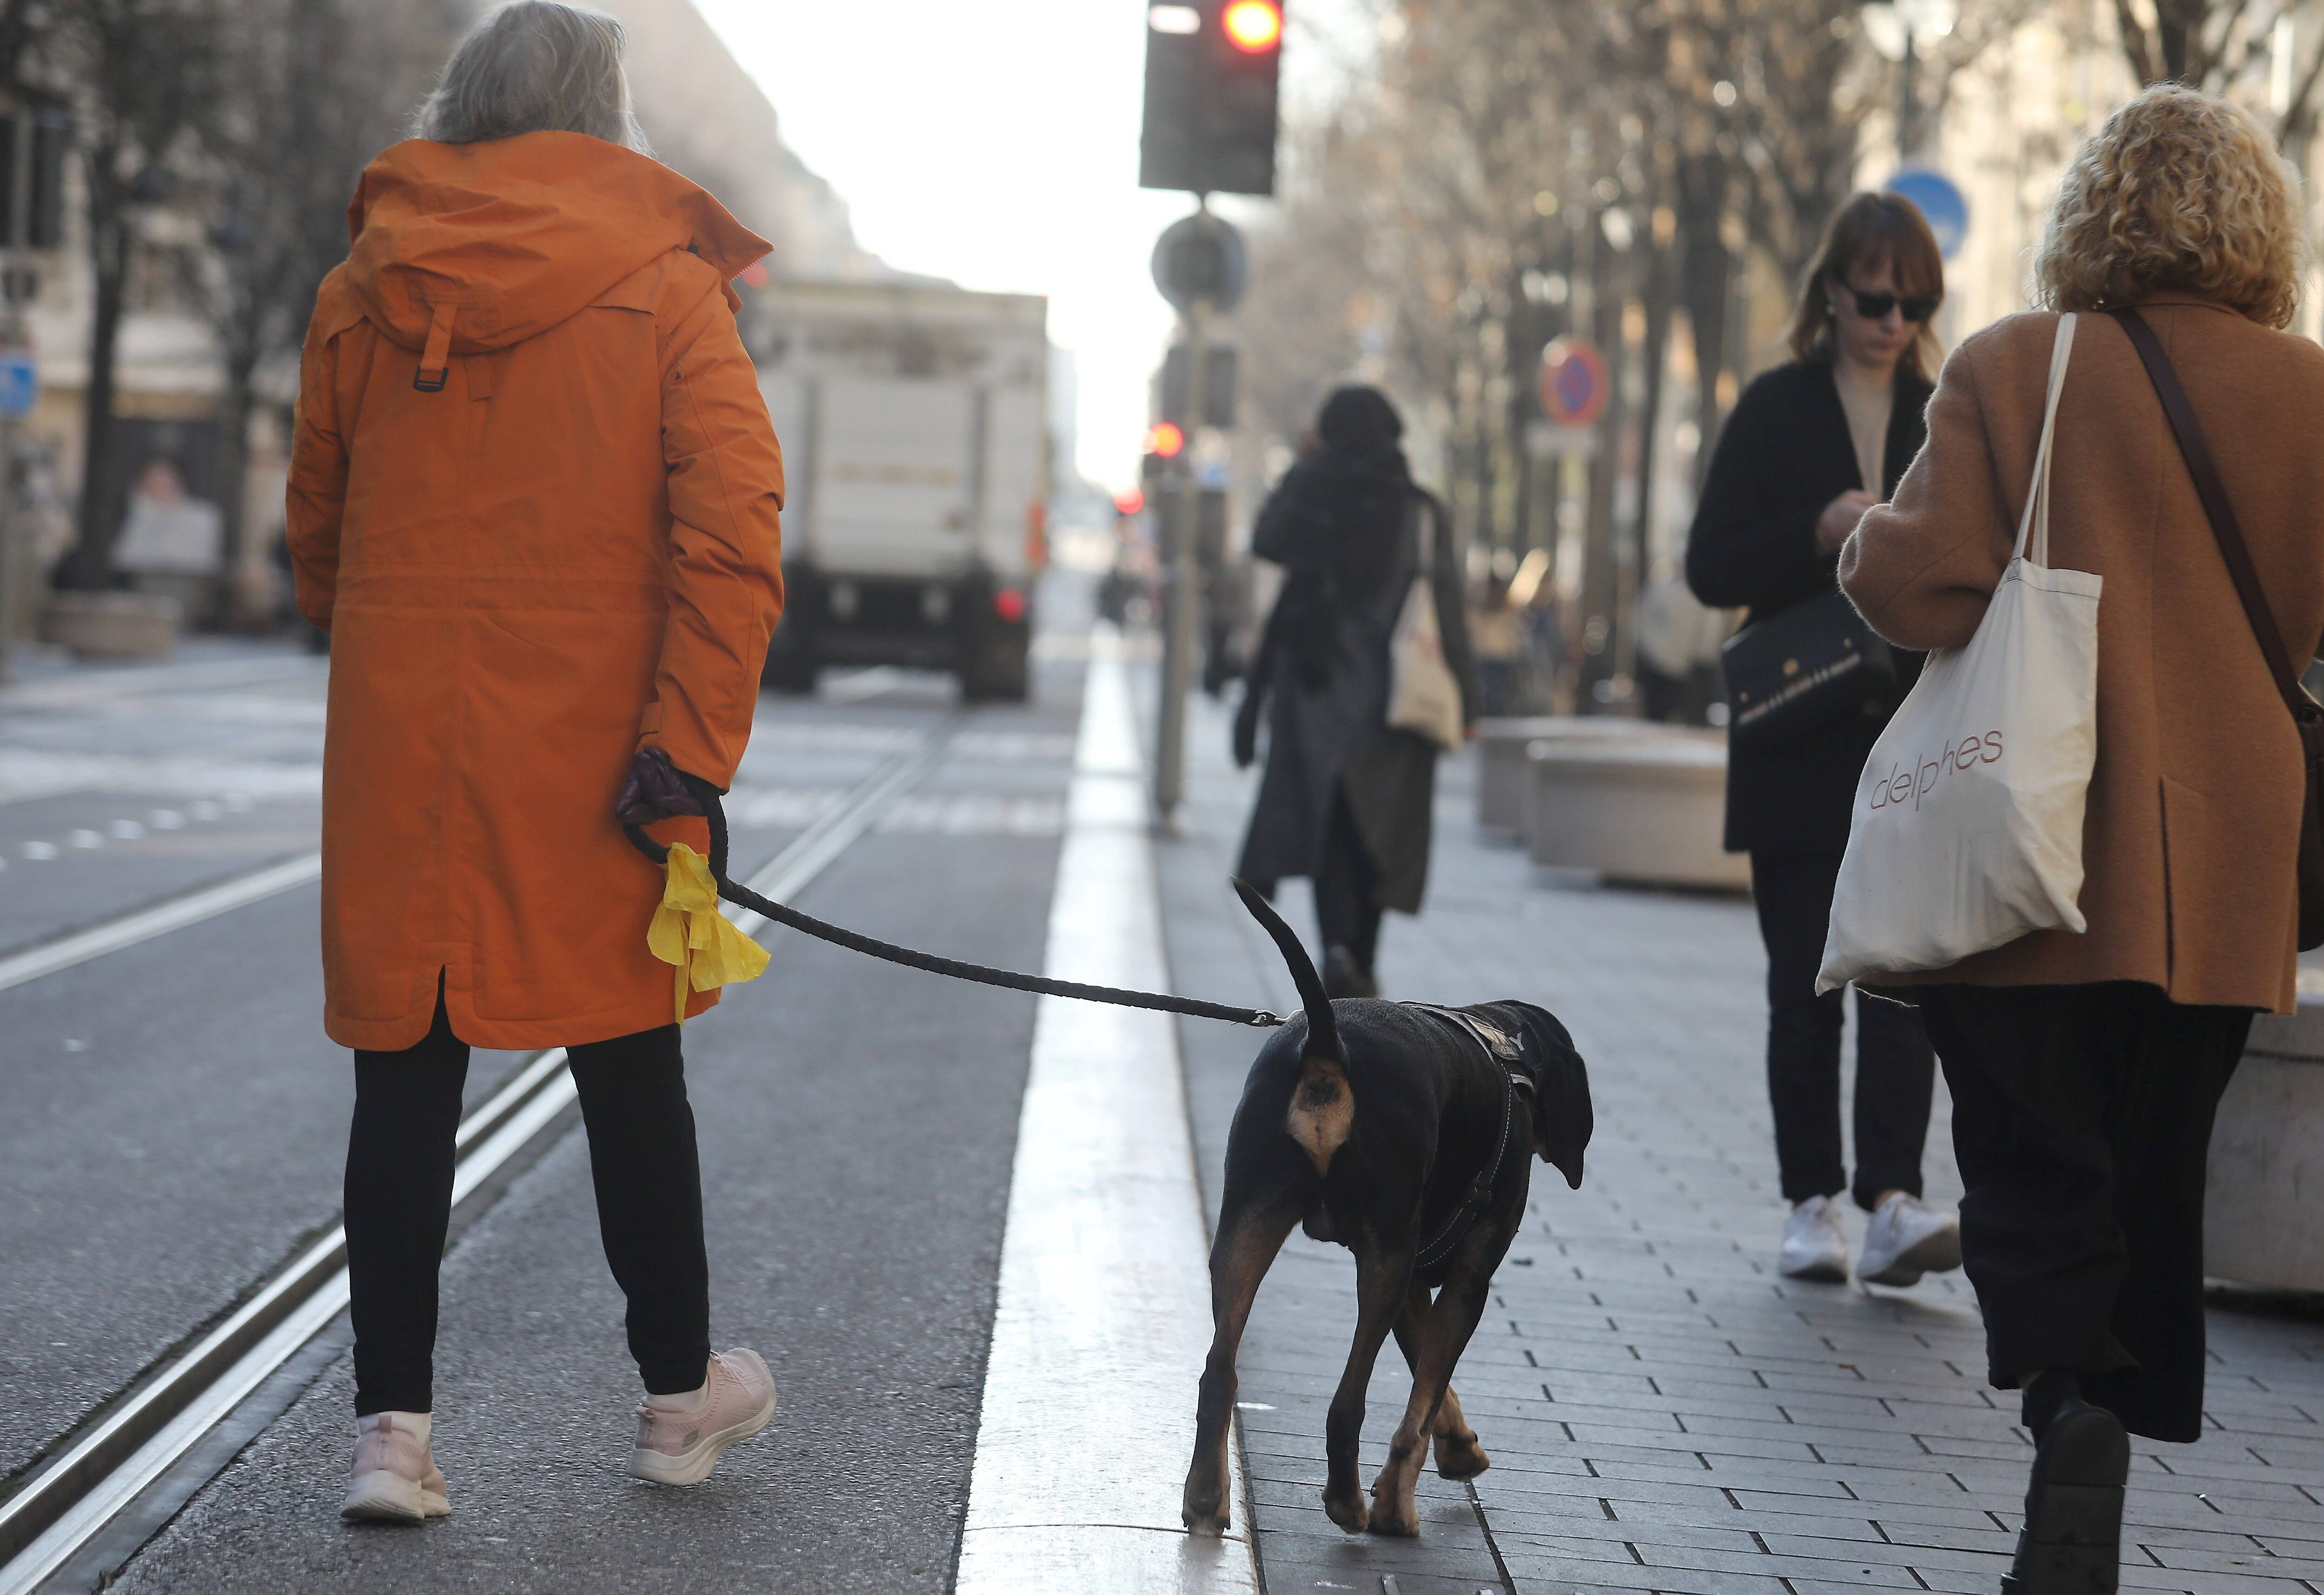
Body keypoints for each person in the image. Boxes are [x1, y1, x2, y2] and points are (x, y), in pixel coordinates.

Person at [285, 0, 786, 1522]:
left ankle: (392, 1431)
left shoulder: (363, 288)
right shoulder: (665, 288)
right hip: (600, 751)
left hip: (406, 744)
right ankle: (677, 1392)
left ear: (465, 98)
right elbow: (733, 537)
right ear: (603, 114)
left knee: (405, 1067)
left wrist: (383, 646)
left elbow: (319, 526)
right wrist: (687, 748)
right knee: (634, 1062)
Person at [1842, 84, 2324, 1595]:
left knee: (2037, 1157)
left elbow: (1913, 588)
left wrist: (1859, 532)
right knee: (2151, 1164)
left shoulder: (2015, 364)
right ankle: (2110, 1407)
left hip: (2036, 835)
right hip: (2234, 855)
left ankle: (2069, 1414)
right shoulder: (2312, 394)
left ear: (2090, 212)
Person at [1685, 192, 1962, 1288]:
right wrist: (1814, 531)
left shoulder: (1947, 415)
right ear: (1831, 292)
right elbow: (1709, 566)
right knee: (1802, 985)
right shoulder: (1772, 407)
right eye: (1874, 295)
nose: (1892, 318)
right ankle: (1810, 1204)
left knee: (1902, 982)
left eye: (1915, 299)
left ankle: (1891, 1199)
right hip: (1795, 740)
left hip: (1909, 741)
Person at [1234, 386, 1474, 998]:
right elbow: (1448, 610)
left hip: (1317, 687)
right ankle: (1357, 957)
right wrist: (1468, 701)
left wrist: (1307, 465)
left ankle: (1339, 953)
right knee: (1380, 834)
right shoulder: (1420, 511)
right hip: (1397, 697)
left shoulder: (1315, 489)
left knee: (1329, 827)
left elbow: (1265, 539)